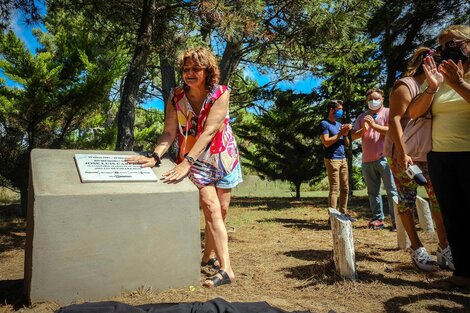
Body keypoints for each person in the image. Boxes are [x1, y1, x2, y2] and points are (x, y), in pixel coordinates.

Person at [127, 47, 242, 288]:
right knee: (210, 207)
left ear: (207, 70)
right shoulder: (176, 96)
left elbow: (211, 130)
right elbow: (169, 131)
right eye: (185, 69)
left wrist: (185, 163)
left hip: (223, 155)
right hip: (195, 157)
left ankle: (209, 255)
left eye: (195, 69)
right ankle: (226, 269)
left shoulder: (221, 93)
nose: (189, 73)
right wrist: (156, 156)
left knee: (221, 210)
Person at [407, 25, 470, 289]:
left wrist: (461, 84)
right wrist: (432, 88)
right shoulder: (440, 76)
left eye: (453, 43)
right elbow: (414, 113)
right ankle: (463, 274)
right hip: (441, 156)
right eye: (442, 45)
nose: (447, 49)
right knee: (453, 215)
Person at [385, 47, 453, 272]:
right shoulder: (406, 85)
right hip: (404, 154)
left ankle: (444, 248)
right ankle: (416, 248)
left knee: (439, 201)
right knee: (407, 200)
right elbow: (394, 120)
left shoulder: (438, 86)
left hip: (430, 151)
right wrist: (403, 154)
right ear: (429, 64)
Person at [352, 88, 398, 230]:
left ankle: (397, 220)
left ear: (383, 99)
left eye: (376, 98)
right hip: (367, 160)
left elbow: (393, 130)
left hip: (386, 158)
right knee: (373, 192)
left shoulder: (389, 112)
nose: (373, 101)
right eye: (370, 99)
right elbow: (353, 136)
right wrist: (364, 129)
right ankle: (377, 219)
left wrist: (373, 125)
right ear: (366, 101)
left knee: (392, 190)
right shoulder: (362, 117)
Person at [319, 100, 355, 220]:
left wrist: (345, 134)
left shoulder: (339, 125)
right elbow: (326, 142)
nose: (341, 112)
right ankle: (333, 218)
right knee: (334, 188)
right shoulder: (324, 124)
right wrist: (340, 134)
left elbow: (347, 144)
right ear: (332, 110)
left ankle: (343, 214)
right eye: (339, 109)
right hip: (332, 159)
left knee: (345, 188)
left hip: (342, 159)